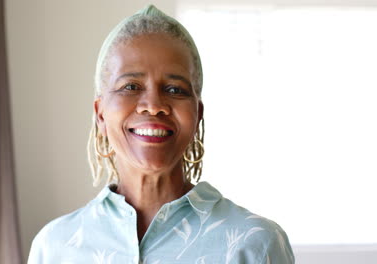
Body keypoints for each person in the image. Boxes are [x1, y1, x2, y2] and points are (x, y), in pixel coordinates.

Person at [28, 4, 295, 264]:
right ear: (100, 114)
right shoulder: (54, 246)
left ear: (197, 113)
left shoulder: (256, 245)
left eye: (175, 89)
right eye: (131, 86)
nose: (154, 106)